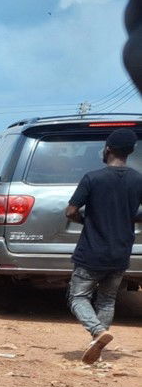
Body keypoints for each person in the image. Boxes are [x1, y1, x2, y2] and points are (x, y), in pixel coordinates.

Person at [64, 127, 142, 363]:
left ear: (107, 150)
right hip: (120, 252)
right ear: (130, 151)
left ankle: (97, 332)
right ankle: (96, 348)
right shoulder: (138, 179)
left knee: (77, 297)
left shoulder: (93, 178)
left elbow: (70, 211)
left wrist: (86, 219)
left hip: (92, 252)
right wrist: (130, 216)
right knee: (107, 299)